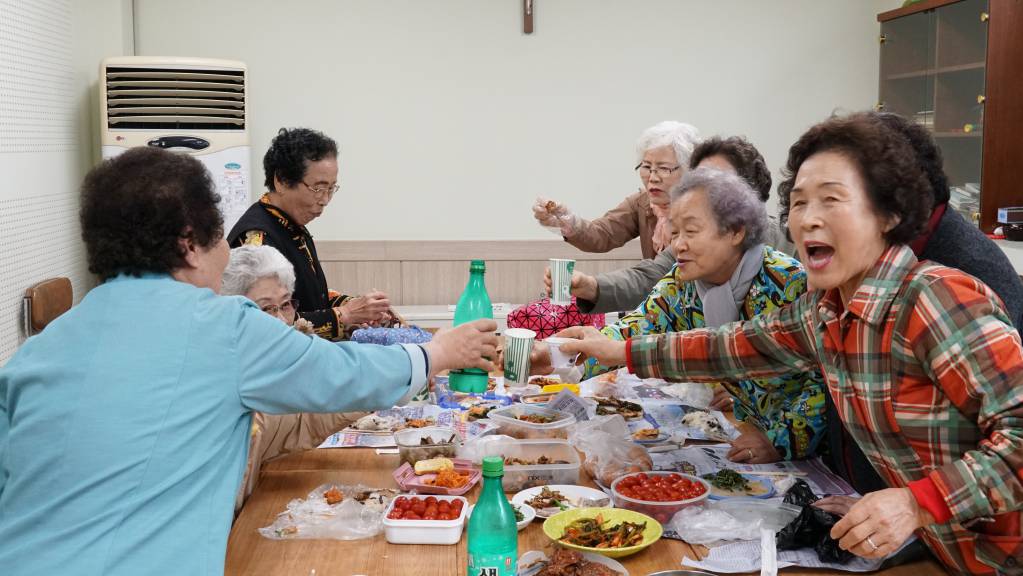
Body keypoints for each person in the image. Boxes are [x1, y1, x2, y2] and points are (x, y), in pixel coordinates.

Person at [559, 112, 1023, 575]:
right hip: (943, 550)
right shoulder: (825, 309)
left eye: (831, 200)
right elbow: (732, 346)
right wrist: (619, 351)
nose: (808, 219)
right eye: (798, 203)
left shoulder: (936, 298)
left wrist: (917, 503)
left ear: (889, 215)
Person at [0, 147, 498, 576]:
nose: (227, 254)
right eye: (221, 239)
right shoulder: (222, 326)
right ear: (190, 244)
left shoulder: (39, 351)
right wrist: (439, 352)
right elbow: (341, 373)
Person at [547, 167, 827, 463]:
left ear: (736, 231)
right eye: (675, 231)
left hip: (807, 450)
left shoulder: (788, 282)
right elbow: (635, 330)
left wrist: (779, 439)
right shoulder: (684, 281)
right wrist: (558, 358)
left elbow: (823, 380)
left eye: (691, 232)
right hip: (746, 431)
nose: (678, 244)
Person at [822, 112, 1023, 497]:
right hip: (867, 493)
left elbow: (1002, 434)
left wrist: (918, 505)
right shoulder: (873, 256)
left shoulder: (965, 271)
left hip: (953, 522)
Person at [549, 136, 795, 318]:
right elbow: (647, 289)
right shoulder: (683, 272)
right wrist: (590, 287)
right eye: (647, 167)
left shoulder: (788, 272)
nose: (679, 243)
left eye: (716, 184)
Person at [221, 245, 365, 512]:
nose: (281, 322)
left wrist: (373, 391)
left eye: (285, 305)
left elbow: (301, 419)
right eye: (265, 309)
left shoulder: (264, 377)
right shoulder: (222, 384)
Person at [228, 127, 392, 340]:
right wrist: (345, 315)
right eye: (318, 188)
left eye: (331, 189)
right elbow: (265, 323)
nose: (324, 200)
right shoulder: (257, 240)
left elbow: (312, 295)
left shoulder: (291, 225)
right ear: (282, 181)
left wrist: (361, 308)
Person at [533, 120, 700, 259]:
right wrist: (568, 221)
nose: (653, 177)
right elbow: (602, 234)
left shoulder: (704, 209)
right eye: (647, 166)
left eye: (663, 168)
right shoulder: (642, 203)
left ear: (688, 170)